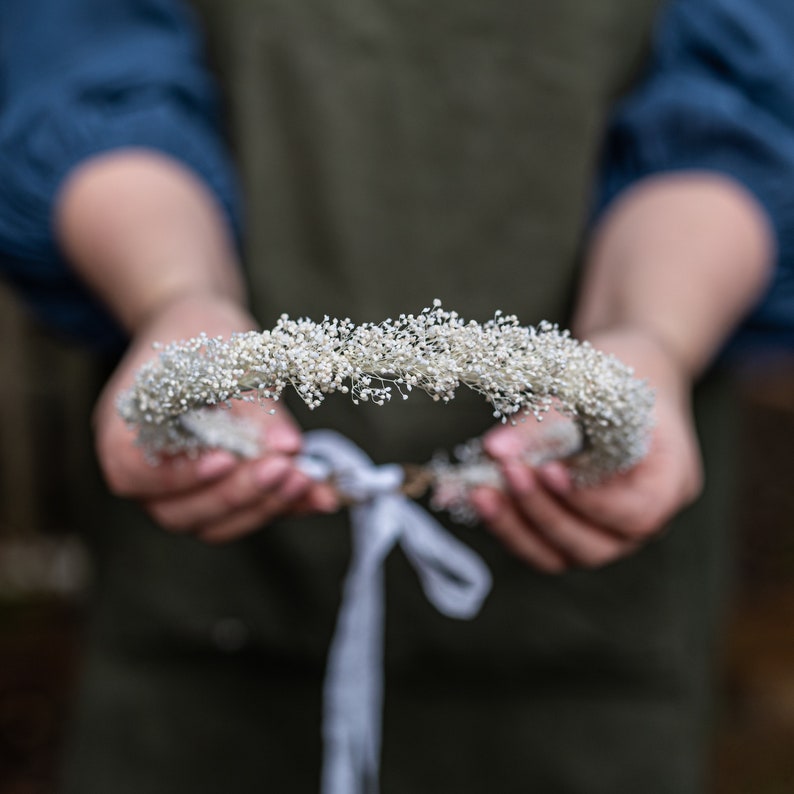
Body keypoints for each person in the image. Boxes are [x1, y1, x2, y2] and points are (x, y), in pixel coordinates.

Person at [1, 0, 793, 791]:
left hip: (587, 648)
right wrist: (174, 297)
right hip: (203, 616)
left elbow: (736, 118)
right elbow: (83, 67)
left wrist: (649, 332)